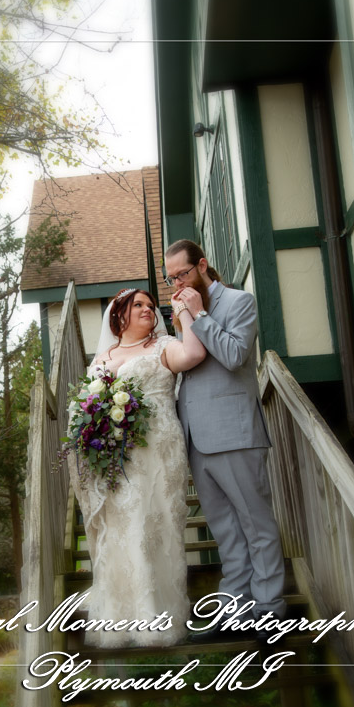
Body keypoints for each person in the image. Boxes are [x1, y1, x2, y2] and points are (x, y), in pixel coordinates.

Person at [164, 240, 282, 645]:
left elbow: (232, 355)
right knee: (226, 530)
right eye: (171, 278)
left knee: (256, 524)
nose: (177, 282)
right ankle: (235, 609)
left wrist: (196, 314)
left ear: (202, 265)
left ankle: (268, 613)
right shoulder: (180, 310)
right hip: (196, 436)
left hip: (234, 431)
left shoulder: (239, 302)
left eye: (182, 273)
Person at [74, 287, 207, 648]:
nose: (148, 310)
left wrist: (184, 316)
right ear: (120, 314)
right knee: (124, 527)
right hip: (120, 456)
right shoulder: (104, 356)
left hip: (161, 449)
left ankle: (161, 617)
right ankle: (122, 618)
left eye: (151, 305)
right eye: (138, 305)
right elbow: (88, 408)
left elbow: (194, 353)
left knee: (158, 526)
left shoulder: (163, 346)